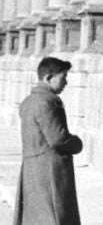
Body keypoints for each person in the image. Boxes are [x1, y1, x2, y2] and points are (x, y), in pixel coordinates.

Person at [14, 56, 82, 225]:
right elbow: (58, 139)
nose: (66, 82)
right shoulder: (47, 102)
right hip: (50, 170)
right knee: (55, 216)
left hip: (33, 167)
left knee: (36, 217)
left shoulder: (29, 101)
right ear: (49, 78)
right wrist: (77, 143)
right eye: (63, 77)